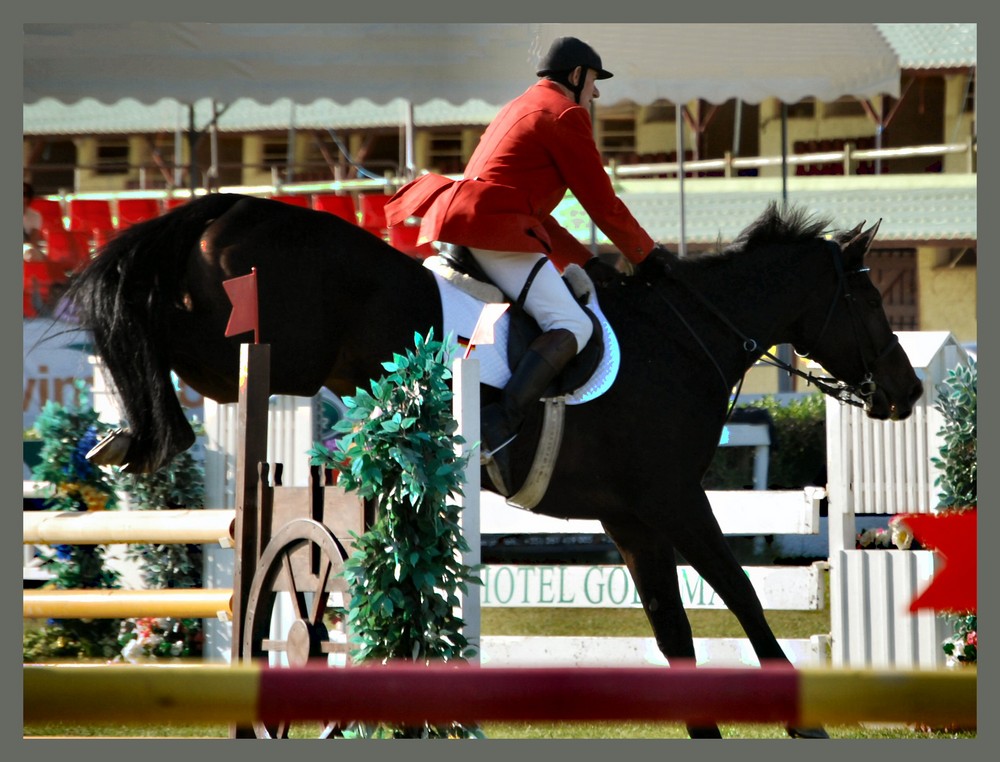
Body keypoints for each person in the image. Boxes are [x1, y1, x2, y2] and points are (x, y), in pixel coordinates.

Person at [385, 36, 672, 493]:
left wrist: (586, 262)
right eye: (594, 81)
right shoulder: (565, 114)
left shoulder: (521, 106)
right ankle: (500, 423)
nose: (596, 94)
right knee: (572, 325)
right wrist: (650, 256)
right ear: (577, 76)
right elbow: (603, 204)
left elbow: (537, 215)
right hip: (493, 230)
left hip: (479, 222)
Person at [23, 182, 46, 263]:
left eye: (24, 194)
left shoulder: (34, 216)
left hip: (26, 248)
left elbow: (33, 241)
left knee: (33, 254)